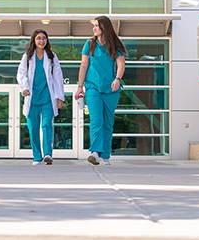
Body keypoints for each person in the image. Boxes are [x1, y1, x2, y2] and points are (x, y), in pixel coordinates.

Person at [74, 16, 126, 166]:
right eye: (94, 25)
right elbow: (84, 66)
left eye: (97, 25)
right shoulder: (89, 44)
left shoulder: (115, 44)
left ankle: (105, 155)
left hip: (111, 88)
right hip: (92, 87)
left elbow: (121, 64)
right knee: (96, 119)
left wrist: (117, 79)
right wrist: (80, 87)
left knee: (108, 122)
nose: (94, 28)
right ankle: (95, 152)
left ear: (105, 27)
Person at [16, 29, 65, 165]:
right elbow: (21, 74)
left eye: (44, 38)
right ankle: (37, 156)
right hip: (32, 98)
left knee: (46, 125)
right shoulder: (28, 56)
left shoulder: (51, 56)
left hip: (48, 98)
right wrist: (24, 88)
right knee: (33, 128)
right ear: (34, 40)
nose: (41, 41)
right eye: (39, 38)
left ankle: (48, 154)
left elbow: (58, 77)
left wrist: (60, 96)